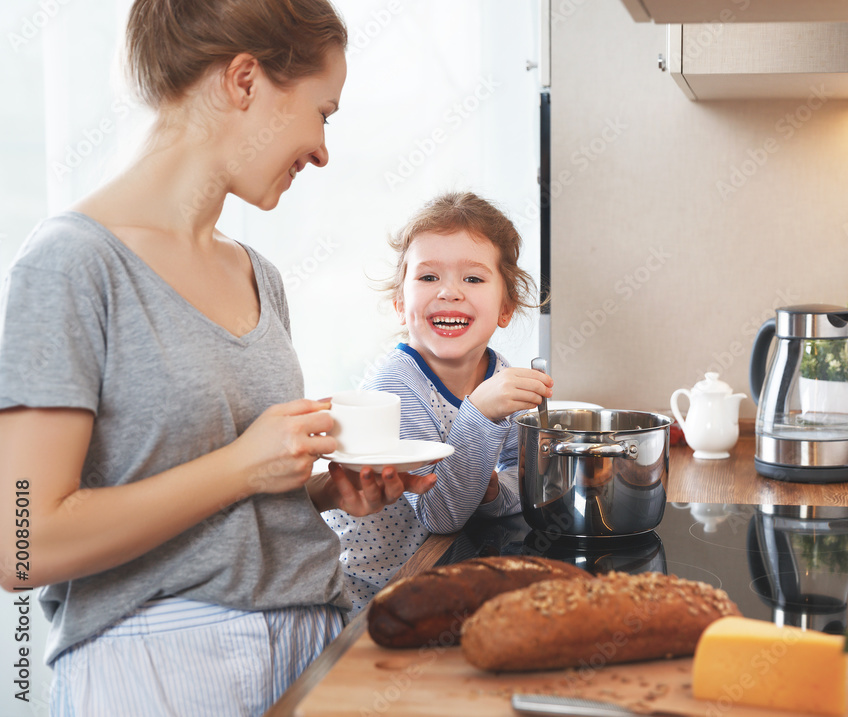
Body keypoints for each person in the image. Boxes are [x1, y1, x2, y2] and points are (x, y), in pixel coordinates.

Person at [0, 1, 434, 714]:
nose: (324, 150)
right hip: (157, 668)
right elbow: (22, 544)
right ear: (243, 81)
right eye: (322, 112)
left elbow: (222, 494)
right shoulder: (70, 264)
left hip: (312, 641)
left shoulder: (257, 273)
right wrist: (241, 466)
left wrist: (320, 491)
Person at [325, 192, 553, 617]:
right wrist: (480, 414)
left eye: (473, 279)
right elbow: (440, 514)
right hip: (367, 594)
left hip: (432, 578)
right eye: (428, 278)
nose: (449, 292)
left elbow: (518, 483)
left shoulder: (499, 374)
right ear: (399, 304)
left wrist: (490, 495)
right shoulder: (395, 388)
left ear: (505, 308)